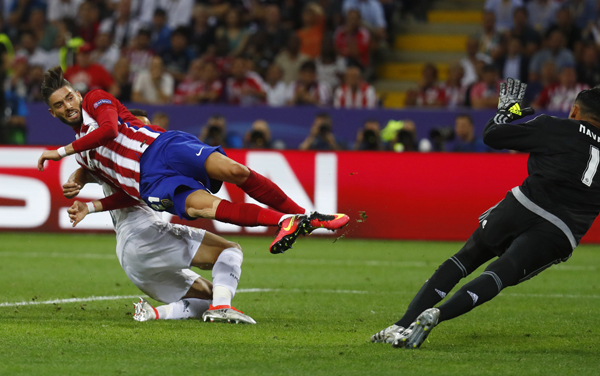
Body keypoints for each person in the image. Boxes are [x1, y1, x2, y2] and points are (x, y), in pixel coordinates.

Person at [371, 79, 600, 349]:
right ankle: (437, 315)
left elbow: (492, 136)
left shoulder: (556, 126)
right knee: (500, 274)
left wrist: (505, 113)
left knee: (464, 259)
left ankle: (400, 325)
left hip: (523, 204)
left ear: (574, 111)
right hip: (560, 229)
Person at [37, 66, 349, 255]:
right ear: (52, 113)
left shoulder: (95, 99)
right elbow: (128, 193)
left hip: (163, 147)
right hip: (152, 184)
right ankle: (290, 222)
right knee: (203, 208)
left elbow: (110, 129)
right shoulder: (87, 159)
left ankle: (304, 216)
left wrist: (61, 151)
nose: (67, 106)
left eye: (68, 98)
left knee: (235, 170)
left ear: (76, 94)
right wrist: (91, 205)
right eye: (59, 105)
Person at [63, 110, 255, 324]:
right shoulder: (132, 163)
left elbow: (85, 170)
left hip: (131, 258)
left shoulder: (111, 161)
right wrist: (85, 196)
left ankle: (153, 313)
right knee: (229, 251)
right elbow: (121, 190)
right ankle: (221, 309)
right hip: (146, 234)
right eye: (137, 128)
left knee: (214, 294)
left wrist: (76, 181)